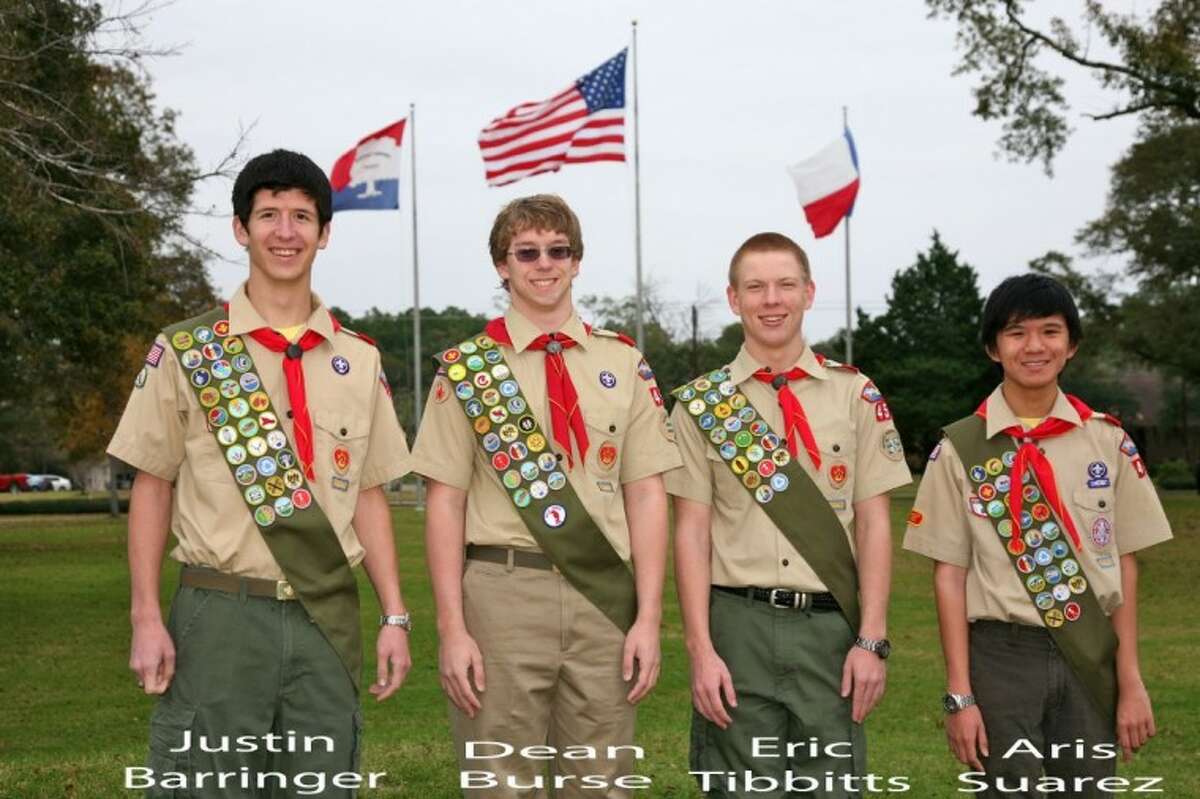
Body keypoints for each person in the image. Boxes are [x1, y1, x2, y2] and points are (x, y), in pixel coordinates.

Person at [108, 149, 413, 798]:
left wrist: (394, 614)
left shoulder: (358, 359)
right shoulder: (190, 350)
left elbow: (369, 494)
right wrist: (144, 616)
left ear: (324, 233)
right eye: (268, 214)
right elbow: (153, 483)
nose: (285, 230)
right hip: (219, 613)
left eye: (302, 216)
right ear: (240, 228)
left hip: (324, 618)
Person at [410, 194, 680, 797]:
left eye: (558, 250)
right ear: (502, 266)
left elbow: (647, 495)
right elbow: (445, 503)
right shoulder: (468, 370)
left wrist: (648, 617)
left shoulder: (625, 363)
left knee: (604, 782)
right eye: (525, 252)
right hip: (501, 597)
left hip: (604, 598)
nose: (543, 263)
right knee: (501, 782)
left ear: (577, 261)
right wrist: (452, 630)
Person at [903, 273, 1172, 795]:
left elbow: (1126, 565)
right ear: (992, 347)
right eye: (1016, 332)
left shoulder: (1108, 442)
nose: (1034, 346)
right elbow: (948, 577)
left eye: (1050, 332)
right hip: (1001, 658)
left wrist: (1130, 677)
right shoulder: (960, 449)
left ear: (1071, 345)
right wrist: (960, 694)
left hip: (1089, 653)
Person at [665, 232, 911, 798]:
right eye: (755, 287)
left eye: (785, 285)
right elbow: (692, 532)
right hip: (736, 626)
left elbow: (874, 524)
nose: (770, 299)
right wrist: (701, 652)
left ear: (808, 293)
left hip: (831, 631)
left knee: (832, 787)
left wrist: (872, 640)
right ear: (734, 299)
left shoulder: (857, 395)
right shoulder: (703, 405)